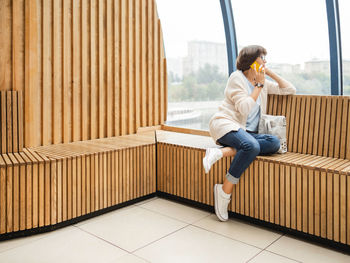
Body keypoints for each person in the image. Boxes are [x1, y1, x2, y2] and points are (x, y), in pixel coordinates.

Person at [203, 45, 296, 222]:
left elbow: (290, 89)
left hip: (247, 134)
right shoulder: (236, 78)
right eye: (262, 58)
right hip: (225, 125)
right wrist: (258, 86)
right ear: (251, 62)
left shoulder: (263, 83)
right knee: (251, 146)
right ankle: (224, 191)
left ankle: (220, 152)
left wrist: (268, 74)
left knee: (274, 143)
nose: (265, 61)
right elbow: (244, 107)